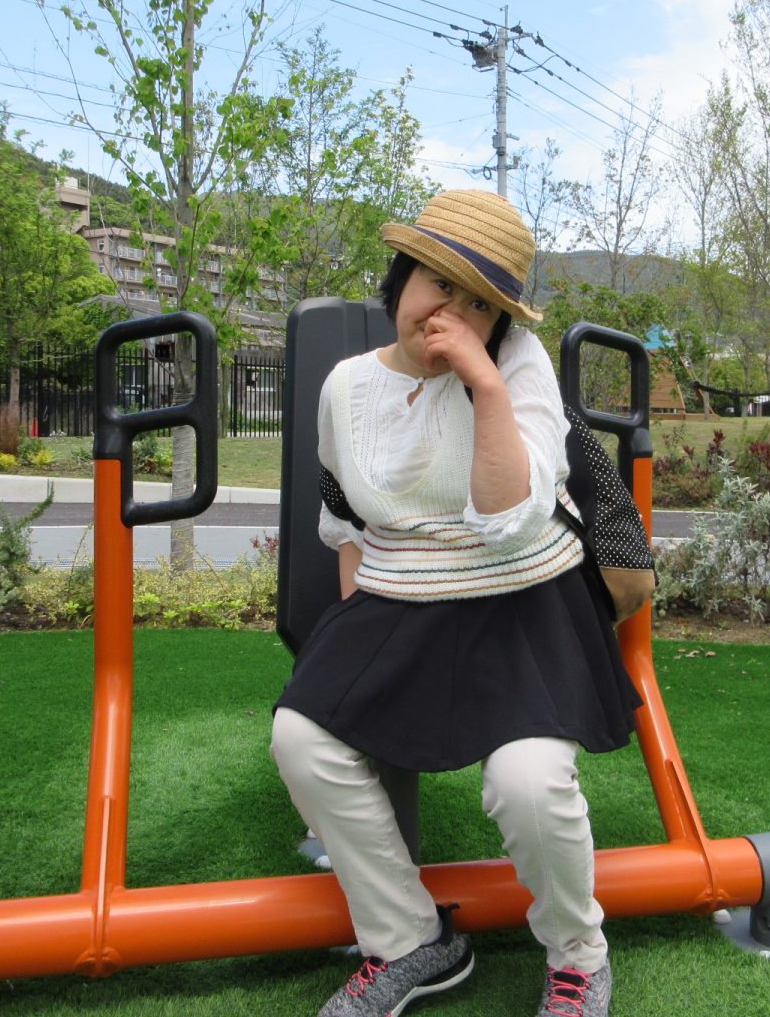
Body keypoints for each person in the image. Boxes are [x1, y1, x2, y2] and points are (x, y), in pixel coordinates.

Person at [271, 189, 642, 1017]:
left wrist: (486, 385)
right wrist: (352, 651)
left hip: (525, 597)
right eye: (440, 284)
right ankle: (410, 940)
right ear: (402, 277)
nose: (453, 314)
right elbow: (346, 519)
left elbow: (510, 523)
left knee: (527, 782)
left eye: (481, 303)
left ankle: (578, 955)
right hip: (400, 596)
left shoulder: (519, 364)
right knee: (302, 735)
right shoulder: (346, 387)